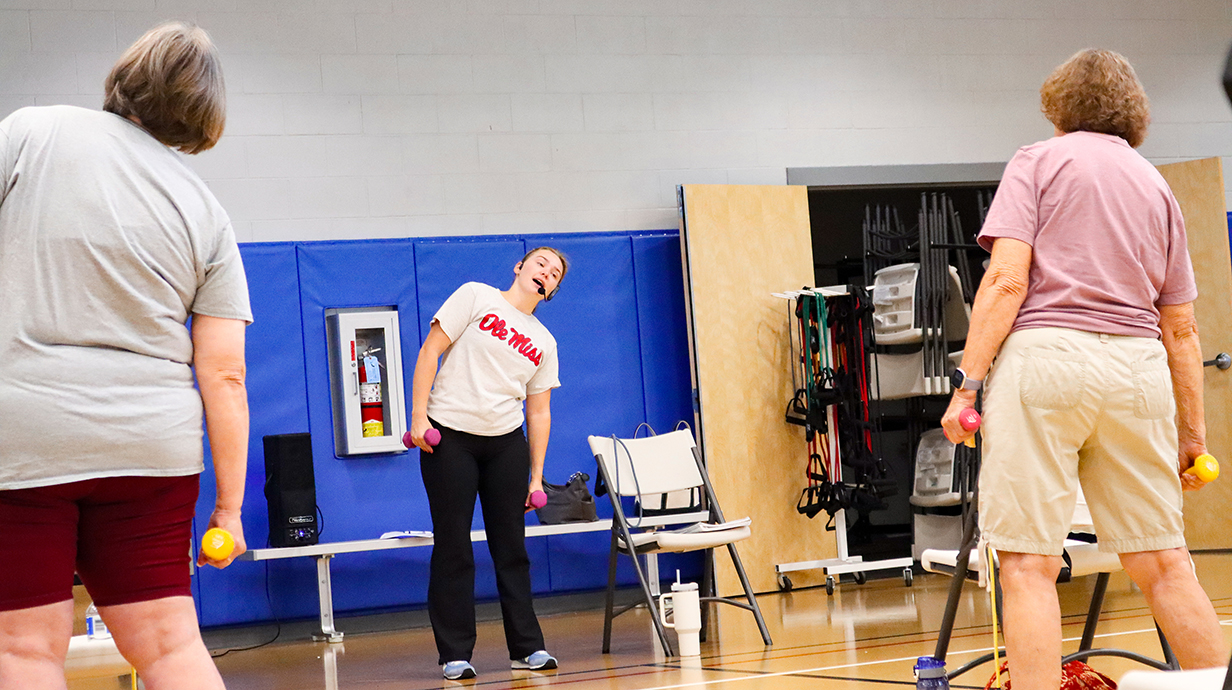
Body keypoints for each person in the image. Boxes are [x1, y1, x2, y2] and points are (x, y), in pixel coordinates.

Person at [941, 49, 1227, 690]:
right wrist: (1194, 438)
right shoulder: (1157, 185)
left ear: (1058, 108)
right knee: (1165, 562)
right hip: (1139, 372)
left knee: (1027, 566)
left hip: (1046, 364)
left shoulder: (1037, 161)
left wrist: (968, 383)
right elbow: (1181, 329)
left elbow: (1008, 278)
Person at [0, 22, 250, 690]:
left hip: (25, 437)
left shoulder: (30, 132)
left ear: (126, 75)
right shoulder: (206, 211)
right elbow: (224, 375)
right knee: (170, 647)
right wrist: (229, 508)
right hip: (151, 450)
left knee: (23, 651)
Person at [408, 247, 568, 681]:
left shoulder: (544, 341)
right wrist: (418, 418)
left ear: (552, 291)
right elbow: (430, 351)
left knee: (512, 550)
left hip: (505, 446)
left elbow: (538, 412)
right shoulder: (476, 296)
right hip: (450, 438)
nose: (545, 274)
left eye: (554, 274)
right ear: (519, 267)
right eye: (540, 264)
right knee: (454, 546)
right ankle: (455, 654)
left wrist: (535, 475)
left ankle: (527, 648)